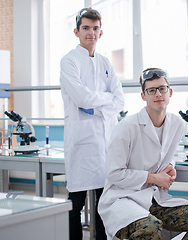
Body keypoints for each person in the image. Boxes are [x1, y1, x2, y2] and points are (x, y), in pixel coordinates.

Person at [98, 68, 188, 240]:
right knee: (150, 228)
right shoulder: (126, 127)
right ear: (143, 96)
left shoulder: (177, 123)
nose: (158, 94)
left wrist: (171, 165)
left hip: (153, 198)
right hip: (123, 199)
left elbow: (165, 152)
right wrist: (154, 178)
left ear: (169, 92)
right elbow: (114, 174)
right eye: (151, 90)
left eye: (162, 89)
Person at [60, 7, 125, 240]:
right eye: (86, 28)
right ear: (76, 31)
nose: (91, 32)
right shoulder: (69, 62)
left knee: (103, 202)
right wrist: (104, 102)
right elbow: (81, 98)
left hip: (106, 141)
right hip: (81, 140)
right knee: (75, 204)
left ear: (101, 32)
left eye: (95, 28)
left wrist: (97, 103)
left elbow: (120, 101)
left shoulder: (106, 63)